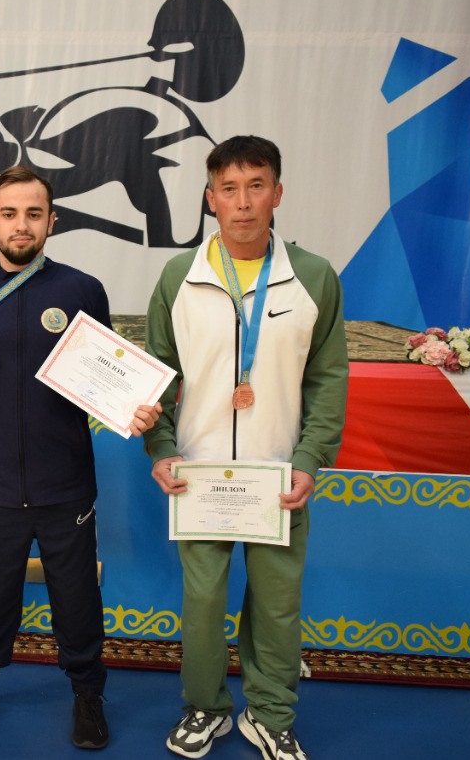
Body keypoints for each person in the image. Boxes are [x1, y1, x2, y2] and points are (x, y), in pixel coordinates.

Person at [0, 166, 161, 751]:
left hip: (66, 482)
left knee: (77, 598)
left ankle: (87, 694)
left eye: (33, 214)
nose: (20, 225)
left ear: (53, 221)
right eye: (9, 213)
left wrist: (133, 407)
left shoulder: (82, 290)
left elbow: (110, 373)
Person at [143, 136, 347, 760]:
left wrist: (310, 459)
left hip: (279, 475)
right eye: (228, 189)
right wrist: (160, 447)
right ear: (210, 199)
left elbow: (328, 378)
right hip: (199, 475)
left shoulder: (313, 276)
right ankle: (205, 708)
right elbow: (158, 373)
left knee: (278, 606)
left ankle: (271, 714)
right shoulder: (179, 276)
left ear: (277, 193)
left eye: (256, 186)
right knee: (203, 602)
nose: (243, 202)